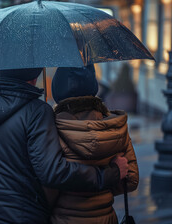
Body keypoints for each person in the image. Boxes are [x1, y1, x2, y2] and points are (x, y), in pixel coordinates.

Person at [0, 68, 128, 223]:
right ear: (34, 76)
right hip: (19, 216)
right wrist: (108, 174)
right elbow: (53, 172)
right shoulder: (37, 111)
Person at [45, 65, 139, 223]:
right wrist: (105, 184)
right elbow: (131, 180)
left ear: (58, 88)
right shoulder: (116, 126)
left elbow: (48, 187)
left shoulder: (52, 128)